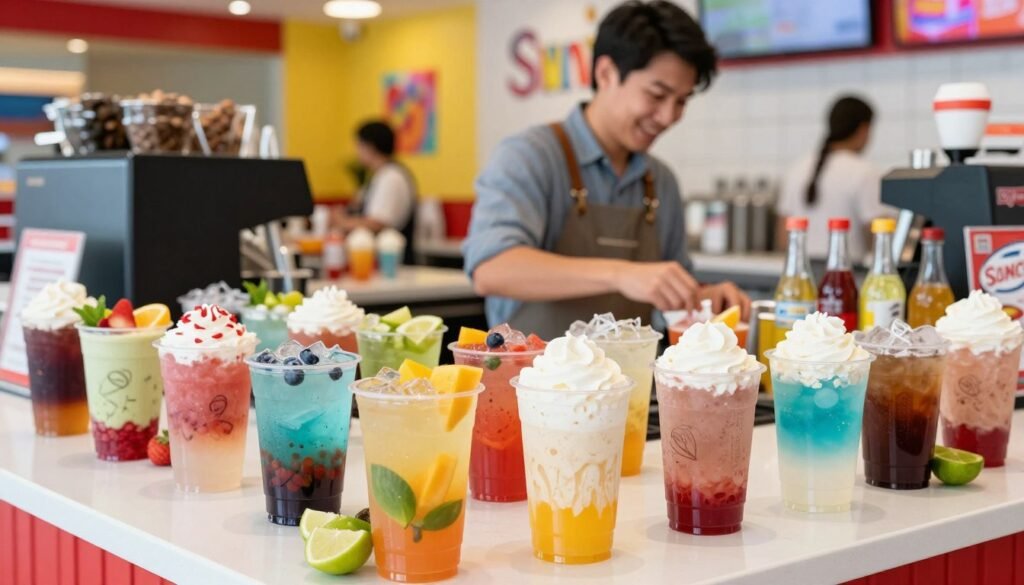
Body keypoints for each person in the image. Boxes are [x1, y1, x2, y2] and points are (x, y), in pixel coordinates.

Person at [462, 0, 749, 338]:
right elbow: (492, 269)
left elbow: (669, 301)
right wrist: (620, 274)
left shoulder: (661, 181)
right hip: (530, 370)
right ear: (605, 73)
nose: (669, 117)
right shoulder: (529, 156)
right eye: (657, 95)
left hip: (633, 372)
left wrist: (703, 299)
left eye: (681, 101)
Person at [777, 95, 894, 262]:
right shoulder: (865, 172)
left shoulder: (797, 169)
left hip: (801, 270)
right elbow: (880, 236)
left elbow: (783, 237)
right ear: (864, 129)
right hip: (847, 271)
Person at [335, 120, 417, 263]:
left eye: (359, 145)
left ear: (370, 147)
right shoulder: (378, 176)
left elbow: (378, 223)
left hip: (392, 261)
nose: (357, 152)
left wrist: (343, 222)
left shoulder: (391, 177)